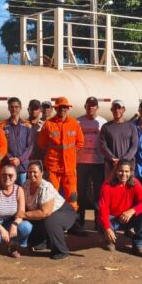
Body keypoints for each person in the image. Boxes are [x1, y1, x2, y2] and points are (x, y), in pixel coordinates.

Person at [37, 96, 86, 236]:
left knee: (73, 196)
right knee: (51, 196)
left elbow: (80, 143)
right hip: (53, 167)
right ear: (55, 108)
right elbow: (42, 143)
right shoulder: (48, 124)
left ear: (68, 108)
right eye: (60, 107)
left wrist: (70, 154)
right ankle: (53, 225)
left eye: (65, 107)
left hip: (69, 167)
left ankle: (72, 224)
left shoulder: (74, 124)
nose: (62, 110)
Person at [22, 161, 77, 260]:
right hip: (43, 213)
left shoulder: (46, 187)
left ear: (42, 173)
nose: (32, 175)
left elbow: (45, 212)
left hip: (63, 211)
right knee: (32, 227)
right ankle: (43, 242)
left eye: (35, 172)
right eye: (29, 172)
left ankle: (61, 250)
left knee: (50, 221)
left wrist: (23, 215)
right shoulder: (25, 185)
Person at [98, 159, 142, 258]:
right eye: (120, 171)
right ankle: (109, 240)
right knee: (102, 221)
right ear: (115, 171)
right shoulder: (107, 186)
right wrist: (107, 228)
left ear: (131, 172)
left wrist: (132, 211)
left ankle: (138, 245)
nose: (123, 174)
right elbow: (103, 209)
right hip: (113, 219)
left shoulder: (135, 183)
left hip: (128, 218)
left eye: (126, 171)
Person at [76, 96, 107, 231]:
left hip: (98, 162)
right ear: (85, 106)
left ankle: (98, 222)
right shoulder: (78, 122)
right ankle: (80, 222)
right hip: (81, 162)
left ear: (97, 108)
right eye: (89, 105)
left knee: (98, 194)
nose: (91, 107)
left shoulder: (102, 123)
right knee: (80, 194)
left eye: (94, 105)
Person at [98, 99, 139, 181]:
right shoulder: (106, 127)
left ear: (124, 110)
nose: (117, 110)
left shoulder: (131, 127)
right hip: (111, 166)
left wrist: (124, 160)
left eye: (119, 108)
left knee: (128, 189)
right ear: (111, 110)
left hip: (127, 166)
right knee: (111, 189)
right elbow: (102, 145)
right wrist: (112, 158)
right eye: (115, 108)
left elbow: (134, 146)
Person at [2, 97, 33, 185]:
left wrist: (20, 159)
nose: (14, 109)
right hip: (8, 165)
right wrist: (10, 158)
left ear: (20, 108)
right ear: (8, 108)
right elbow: (1, 145)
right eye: (11, 107)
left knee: (22, 192)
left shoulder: (27, 125)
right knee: (8, 190)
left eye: (16, 107)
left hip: (23, 166)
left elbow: (30, 146)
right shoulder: (2, 126)